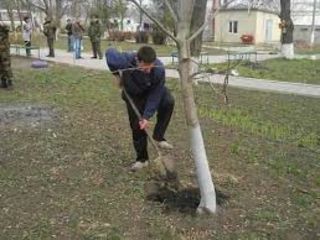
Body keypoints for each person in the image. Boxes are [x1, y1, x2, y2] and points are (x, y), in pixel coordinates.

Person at [106, 46, 174, 171]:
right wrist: (116, 75)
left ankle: (158, 136)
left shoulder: (158, 69)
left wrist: (146, 116)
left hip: (152, 91)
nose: (148, 69)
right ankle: (142, 159)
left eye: (150, 65)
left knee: (168, 101)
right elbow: (109, 53)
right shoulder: (125, 60)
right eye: (145, 66)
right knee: (137, 125)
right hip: (134, 94)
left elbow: (156, 94)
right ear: (138, 60)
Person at [0, 23, 13, 88]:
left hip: (4, 51)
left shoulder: (3, 28)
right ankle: (3, 82)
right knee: (1, 67)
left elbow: (7, 28)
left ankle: (10, 82)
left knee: (6, 65)